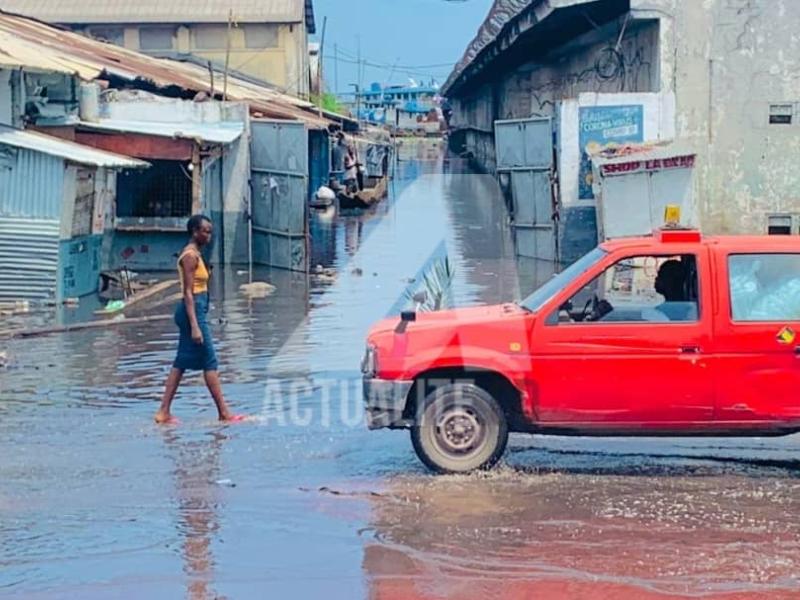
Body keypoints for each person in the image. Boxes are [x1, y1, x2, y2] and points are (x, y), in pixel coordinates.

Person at [155, 215, 244, 425]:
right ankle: (224, 413)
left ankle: (163, 412)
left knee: (181, 362)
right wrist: (195, 326)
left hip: (196, 309)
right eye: (205, 231)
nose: (208, 235)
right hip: (191, 312)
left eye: (210, 231)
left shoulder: (196, 254)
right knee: (209, 360)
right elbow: (187, 293)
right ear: (195, 231)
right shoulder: (190, 256)